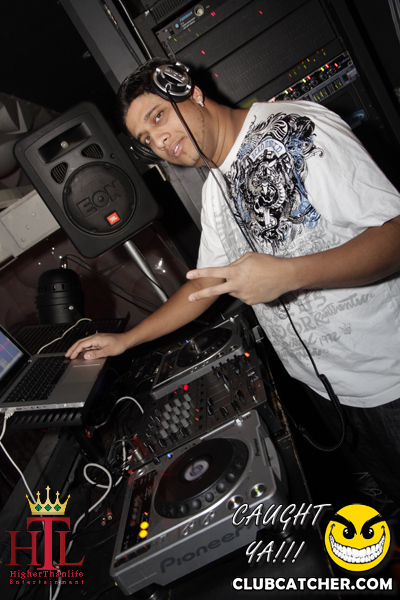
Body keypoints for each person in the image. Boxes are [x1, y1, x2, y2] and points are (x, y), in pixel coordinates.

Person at [66, 58, 400, 506]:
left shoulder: (297, 128)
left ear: (190, 92)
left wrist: (288, 275)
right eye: (145, 138)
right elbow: (204, 285)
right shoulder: (214, 189)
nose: (158, 140)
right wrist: (126, 341)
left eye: (158, 116)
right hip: (329, 389)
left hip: (388, 378)